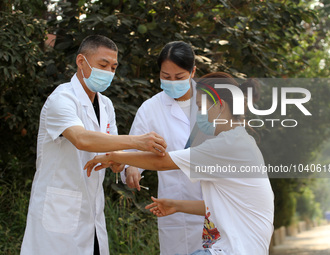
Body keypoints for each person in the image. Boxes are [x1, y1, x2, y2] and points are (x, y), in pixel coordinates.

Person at [85, 72, 275, 255]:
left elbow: (162, 162)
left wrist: (114, 156)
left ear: (219, 106)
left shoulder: (227, 145)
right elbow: (222, 205)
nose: (198, 114)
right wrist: (176, 205)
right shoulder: (238, 141)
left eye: (201, 107)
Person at [20, 35, 167, 255]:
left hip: (91, 212)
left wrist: (123, 164)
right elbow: (82, 139)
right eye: (103, 65)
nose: (108, 72)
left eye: (113, 67)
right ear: (81, 61)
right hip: (59, 211)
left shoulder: (106, 105)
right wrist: (137, 141)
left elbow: (112, 150)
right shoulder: (61, 99)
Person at [120, 41, 205, 255]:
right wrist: (131, 169)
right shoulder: (151, 108)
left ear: (193, 71)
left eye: (179, 77)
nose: (172, 82)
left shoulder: (214, 103)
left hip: (214, 206)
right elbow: (132, 151)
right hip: (175, 214)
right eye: (166, 77)